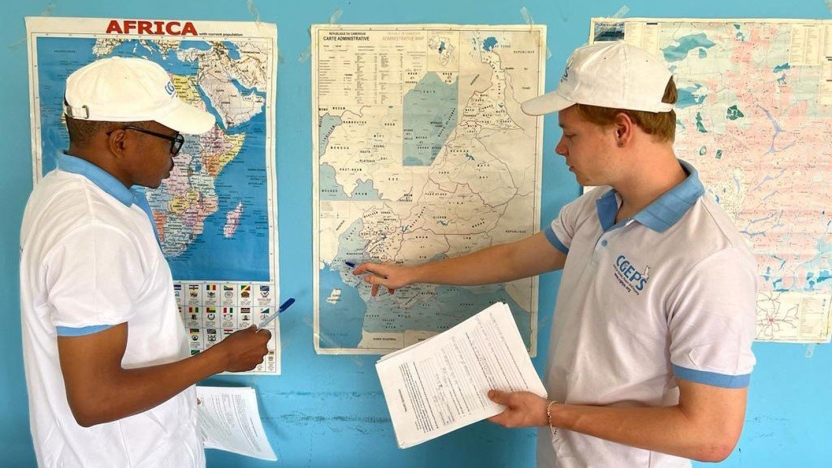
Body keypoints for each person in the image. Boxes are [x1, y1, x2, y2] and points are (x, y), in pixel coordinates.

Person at [354, 41, 757, 467]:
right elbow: (513, 259)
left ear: (622, 129)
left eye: (571, 134)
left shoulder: (709, 261)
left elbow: (710, 437)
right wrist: (413, 274)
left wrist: (549, 414)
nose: (560, 149)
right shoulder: (599, 206)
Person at [19, 57, 271, 468]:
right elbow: (95, 400)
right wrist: (221, 359)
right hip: (121, 456)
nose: (178, 155)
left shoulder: (61, 190)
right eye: (171, 140)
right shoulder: (94, 230)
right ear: (120, 140)